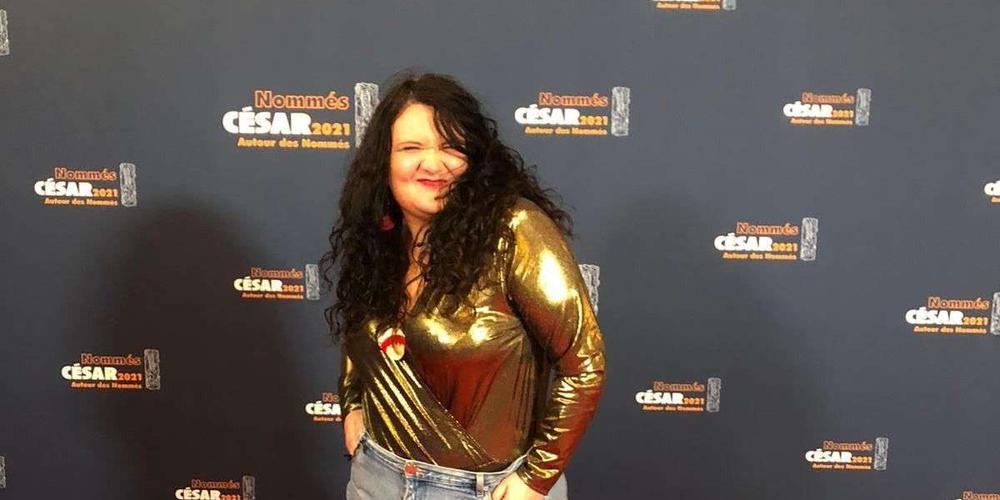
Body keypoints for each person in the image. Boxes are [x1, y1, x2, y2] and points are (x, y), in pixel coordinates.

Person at [320, 70, 606, 500]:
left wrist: (536, 478)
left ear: (474, 157)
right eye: (412, 148)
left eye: (450, 146)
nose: (433, 164)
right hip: (375, 480)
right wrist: (353, 401)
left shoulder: (513, 230)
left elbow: (584, 362)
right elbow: (362, 327)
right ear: (383, 161)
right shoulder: (378, 237)